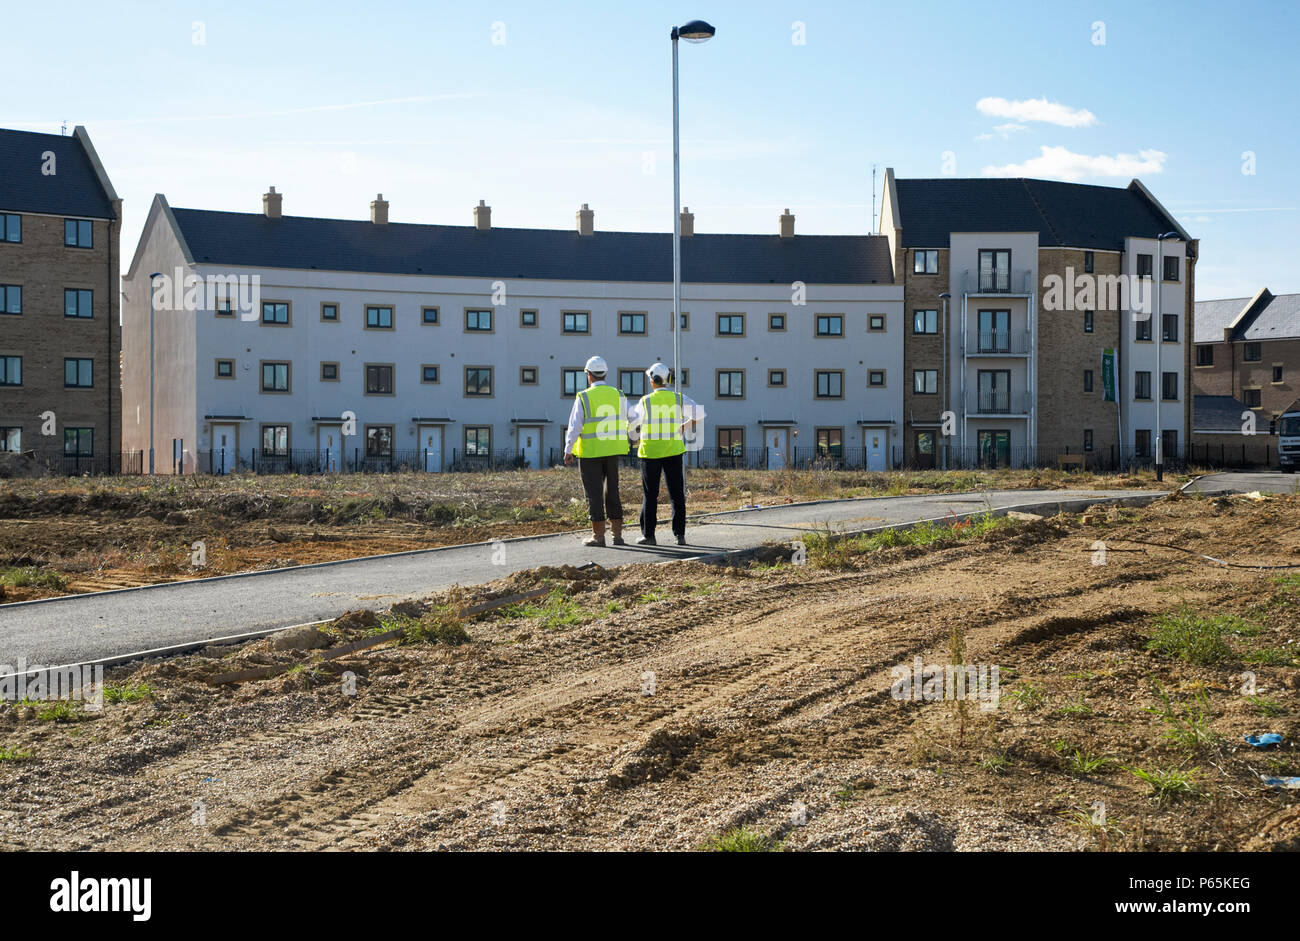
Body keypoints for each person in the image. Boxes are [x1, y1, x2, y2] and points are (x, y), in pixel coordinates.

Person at [627, 362, 706, 546]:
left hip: (650, 453)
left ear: (653, 380)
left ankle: (649, 536)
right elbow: (700, 414)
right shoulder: (679, 398)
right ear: (667, 380)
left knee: (650, 495)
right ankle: (680, 536)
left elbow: (633, 423)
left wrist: (634, 435)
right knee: (677, 494)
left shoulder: (645, 401)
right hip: (673, 451)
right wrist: (683, 426)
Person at [563, 355, 629, 547]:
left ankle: (598, 537)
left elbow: (575, 426)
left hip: (590, 453)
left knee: (594, 493)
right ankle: (617, 536)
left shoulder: (583, 397)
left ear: (589, 375)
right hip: (613, 451)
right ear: (605, 374)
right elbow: (632, 418)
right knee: (612, 492)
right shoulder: (619, 395)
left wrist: (568, 450)